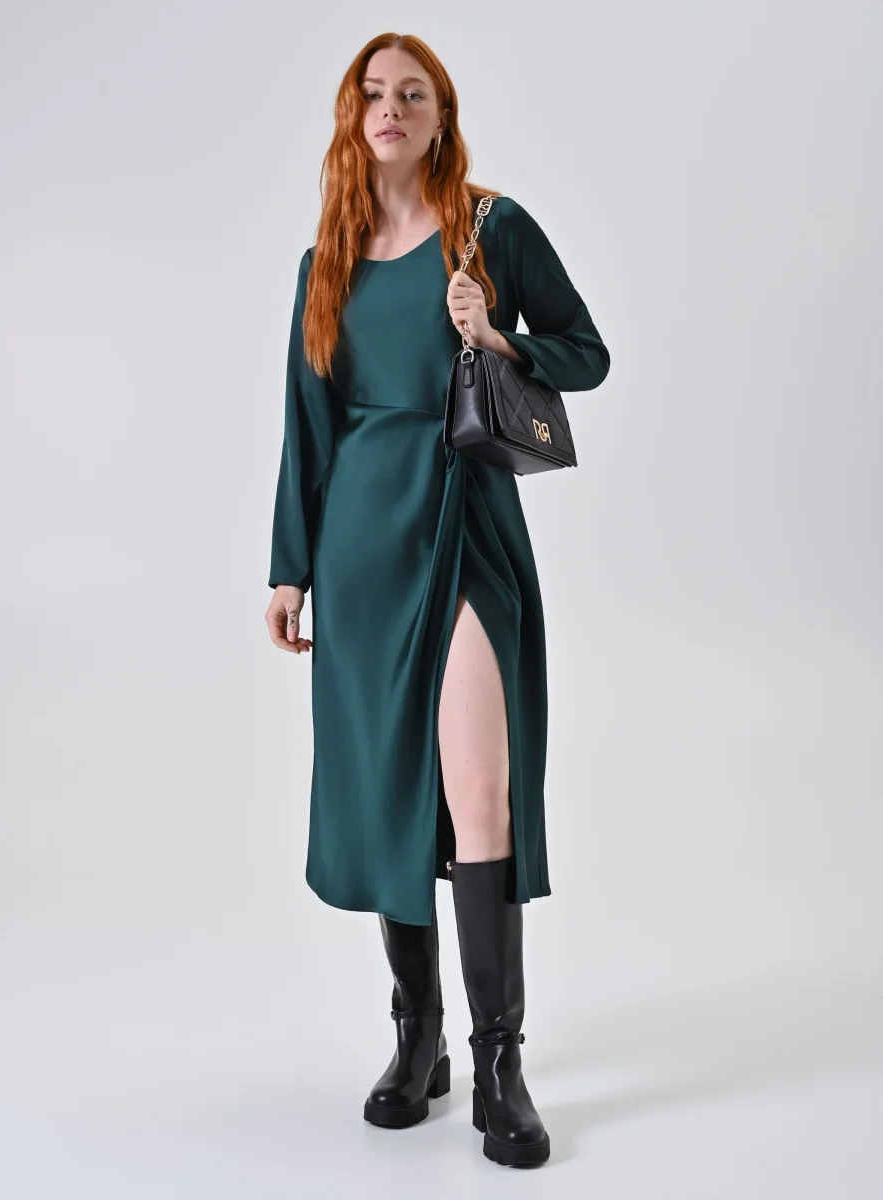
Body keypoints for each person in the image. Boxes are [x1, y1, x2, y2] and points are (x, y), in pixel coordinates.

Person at [264, 32, 610, 1168]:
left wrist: (494, 334)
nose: (392, 108)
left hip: (465, 528)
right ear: (351, 116)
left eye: (412, 93)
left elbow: (587, 351)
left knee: (480, 796)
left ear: (441, 114)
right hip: (360, 548)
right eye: (374, 93)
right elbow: (307, 427)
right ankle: (418, 1039)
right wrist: (289, 567)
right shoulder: (326, 260)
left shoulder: (489, 229)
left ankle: (501, 1062)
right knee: (388, 793)